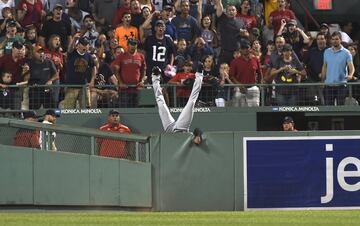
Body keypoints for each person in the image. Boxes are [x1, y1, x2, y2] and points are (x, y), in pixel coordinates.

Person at [151, 63, 203, 144]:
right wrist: (198, 136)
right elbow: (197, 130)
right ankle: (200, 74)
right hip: (181, 129)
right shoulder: (190, 143)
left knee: (161, 104)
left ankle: (155, 77)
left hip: (169, 130)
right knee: (191, 102)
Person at [321, 31, 355, 105]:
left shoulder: (346, 52)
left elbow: (351, 67)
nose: (334, 41)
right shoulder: (327, 51)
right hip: (328, 85)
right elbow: (324, 66)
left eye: (336, 39)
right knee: (328, 108)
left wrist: (350, 75)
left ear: (340, 40)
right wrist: (322, 81)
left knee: (340, 108)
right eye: (333, 39)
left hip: (341, 85)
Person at [111, 38, 146, 108]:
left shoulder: (141, 56)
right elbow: (116, 70)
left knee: (137, 111)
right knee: (124, 110)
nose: (133, 46)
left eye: (135, 44)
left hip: (136, 89)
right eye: (131, 44)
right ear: (127, 45)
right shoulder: (121, 56)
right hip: (124, 90)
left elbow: (143, 70)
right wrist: (120, 82)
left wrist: (141, 81)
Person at [229, 40, 262, 107]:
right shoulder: (235, 61)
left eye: (247, 48)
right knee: (239, 112)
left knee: (254, 111)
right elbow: (231, 76)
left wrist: (259, 85)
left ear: (250, 48)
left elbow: (260, 73)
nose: (245, 50)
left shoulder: (255, 59)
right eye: (243, 48)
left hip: (253, 88)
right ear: (240, 50)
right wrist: (240, 85)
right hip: (239, 89)